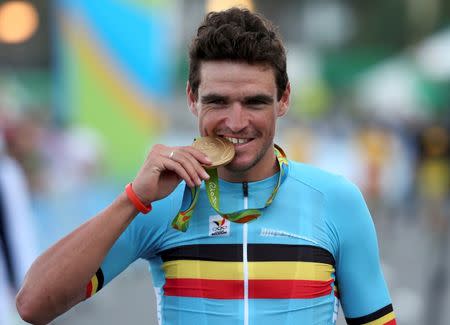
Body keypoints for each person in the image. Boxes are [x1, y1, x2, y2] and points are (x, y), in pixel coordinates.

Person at [16, 7, 396, 325]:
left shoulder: (337, 201)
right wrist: (132, 200)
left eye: (254, 102)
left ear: (283, 100)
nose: (235, 121)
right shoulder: (160, 202)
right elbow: (33, 305)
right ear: (191, 99)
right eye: (218, 101)